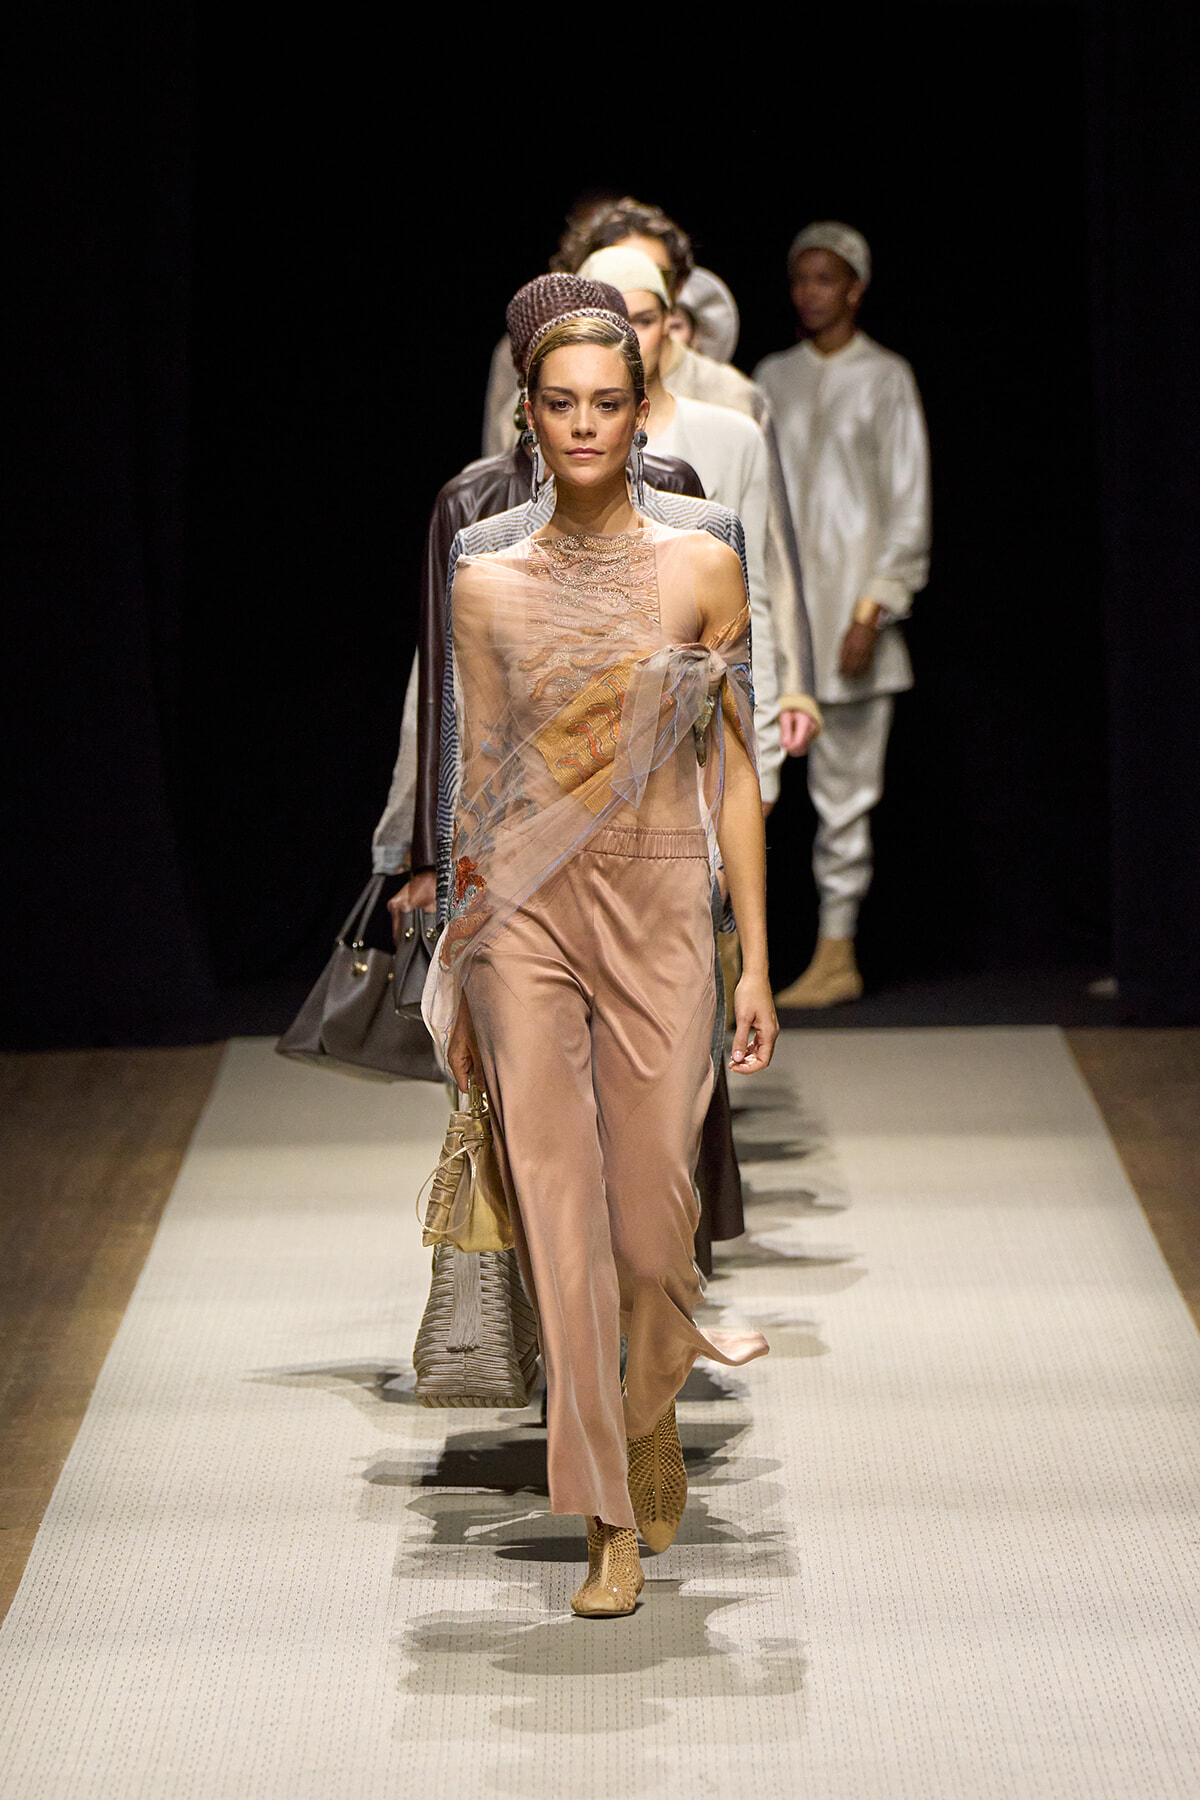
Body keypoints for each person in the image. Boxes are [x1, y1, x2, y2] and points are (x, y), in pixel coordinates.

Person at [423, 307, 777, 1617]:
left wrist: (754, 961)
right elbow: (477, 782)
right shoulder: (483, 582)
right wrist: (458, 963)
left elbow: (732, 765)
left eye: (605, 403)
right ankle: (607, 1520)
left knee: (649, 1224)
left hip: (664, 902)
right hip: (521, 912)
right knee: (561, 1223)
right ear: (529, 413)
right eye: (559, 402)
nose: (582, 424)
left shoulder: (701, 568)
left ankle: (648, 1406)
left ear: (640, 415)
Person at [481, 198, 817, 722]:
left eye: (645, 304)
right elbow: (503, 527)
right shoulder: (533, 380)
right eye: (560, 404)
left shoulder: (728, 406)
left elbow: (765, 566)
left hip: (681, 699)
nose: (583, 422)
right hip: (551, 692)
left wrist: (788, 693)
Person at [755, 222, 931, 1006]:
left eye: (825, 279)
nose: (810, 293)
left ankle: (837, 950)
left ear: (854, 287)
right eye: (801, 279)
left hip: (852, 617)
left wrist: (874, 606)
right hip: (778, 616)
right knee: (747, 789)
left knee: (845, 794)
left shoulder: (885, 377)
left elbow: (909, 505)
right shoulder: (772, 377)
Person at [579, 245, 823, 807]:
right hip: (585, 735)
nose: (628, 341)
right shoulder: (565, 445)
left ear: (670, 323)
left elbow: (752, 591)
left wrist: (757, 746)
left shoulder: (732, 434)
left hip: (702, 728)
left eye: (641, 320)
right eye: (610, 324)